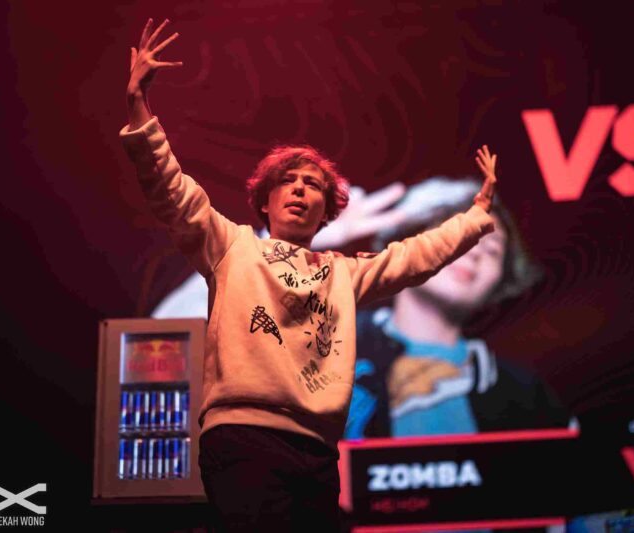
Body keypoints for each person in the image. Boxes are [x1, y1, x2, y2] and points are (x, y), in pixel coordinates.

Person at [120, 18, 498, 532]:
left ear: (327, 213)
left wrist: (476, 216)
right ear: (265, 200)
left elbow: (416, 256)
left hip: (316, 450)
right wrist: (139, 107)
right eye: (288, 181)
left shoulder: (343, 274)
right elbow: (173, 190)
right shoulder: (232, 247)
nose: (300, 189)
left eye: (313, 185)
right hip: (243, 435)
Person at [345, 177, 576, 439]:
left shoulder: (524, 394)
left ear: (501, 282)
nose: (473, 251)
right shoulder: (329, 345)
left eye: (492, 250)